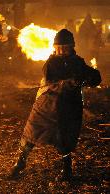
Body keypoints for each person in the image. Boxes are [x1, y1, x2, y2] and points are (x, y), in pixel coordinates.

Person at [8, 29, 101, 181]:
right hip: (47, 104)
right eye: (59, 47)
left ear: (72, 46)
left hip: (69, 106)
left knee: (66, 137)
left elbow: (94, 77)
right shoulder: (50, 64)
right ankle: (20, 162)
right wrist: (69, 82)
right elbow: (52, 82)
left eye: (66, 47)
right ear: (54, 47)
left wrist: (90, 78)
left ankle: (67, 170)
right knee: (32, 131)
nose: (62, 50)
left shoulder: (78, 62)